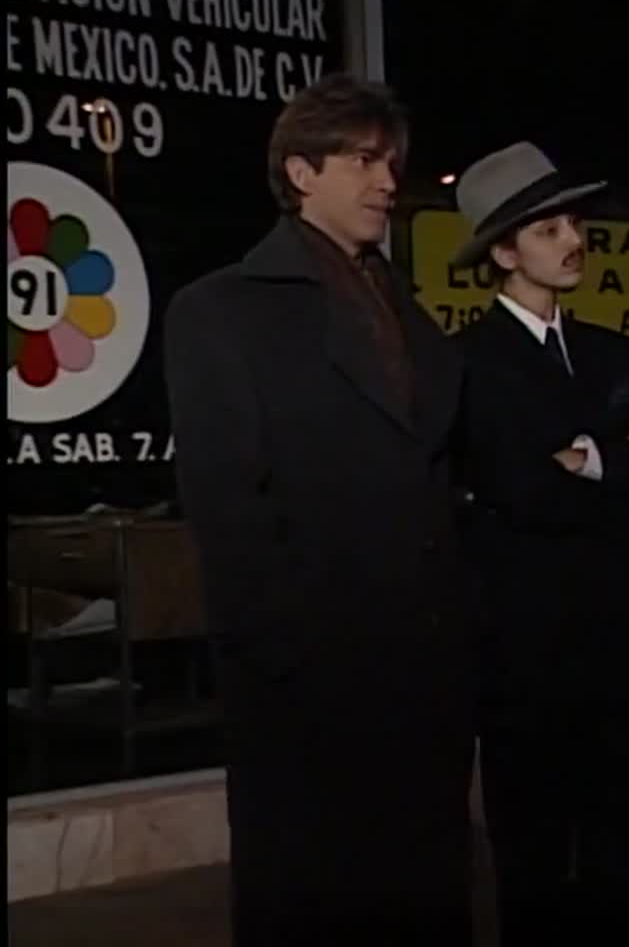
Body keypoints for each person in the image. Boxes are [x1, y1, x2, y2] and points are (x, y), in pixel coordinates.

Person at [165, 74, 474, 945]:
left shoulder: (405, 308)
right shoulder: (221, 311)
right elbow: (227, 507)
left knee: (419, 893)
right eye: (363, 161)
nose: (387, 182)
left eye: (392, 163)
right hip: (310, 684)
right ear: (301, 173)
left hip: (423, 676)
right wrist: (288, 654)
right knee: (316, 896)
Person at [452, 141, 629, 947]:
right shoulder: (468, 364)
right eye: (548, 230)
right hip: (530, 659)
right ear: (504, 253)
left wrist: (585, 458)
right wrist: (614, 457)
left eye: (576, 224)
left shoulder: (614, 350)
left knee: (628, 853)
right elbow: (519, 489)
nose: (574, 241)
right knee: (536, 860)